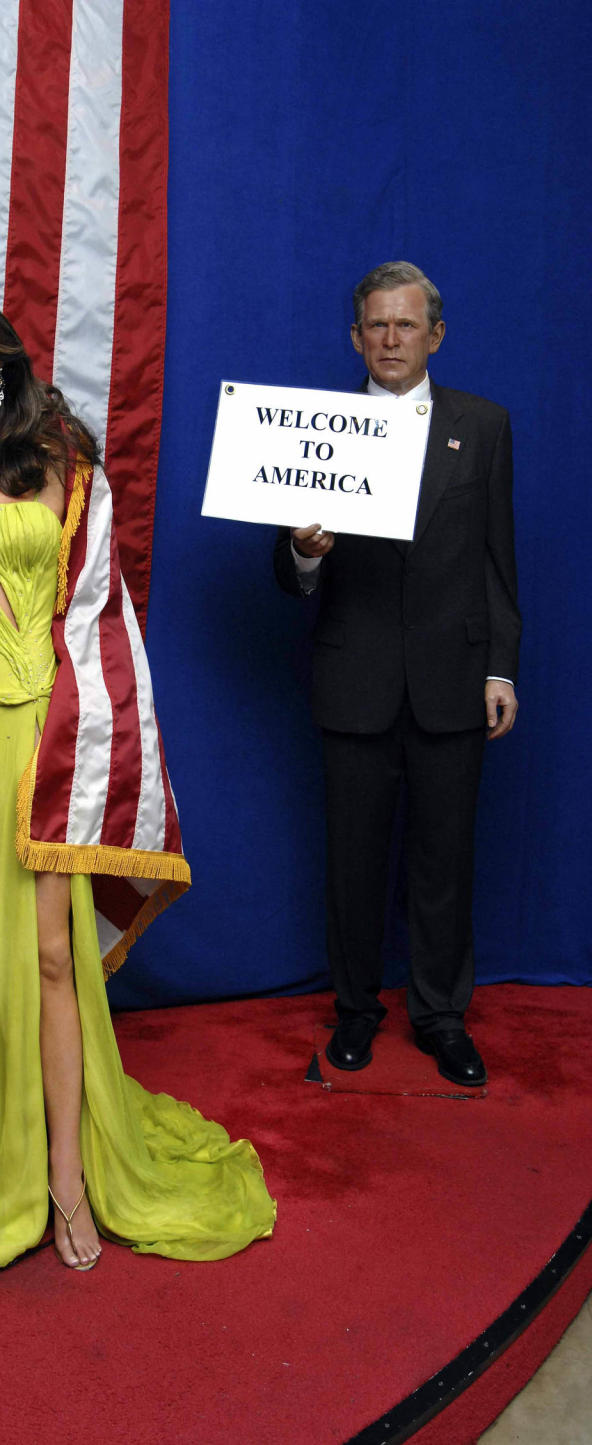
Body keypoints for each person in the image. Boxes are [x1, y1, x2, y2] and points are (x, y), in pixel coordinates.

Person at [0, 288, 276, 1274]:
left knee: (53, 957)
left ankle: (66, 1171)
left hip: (43, 735)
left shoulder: (59, 454)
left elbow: (97, 614)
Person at [274, 261, 520, 1087]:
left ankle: (442, 1015)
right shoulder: (315, 425)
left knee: (445, 860)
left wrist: (502, 670)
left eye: (406, 325)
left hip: (455, 681)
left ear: (435, 335)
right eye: (376, 325)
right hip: (356, 680)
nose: (390, 339)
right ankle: (354, 1011)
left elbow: (497, 563)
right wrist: (304, 553)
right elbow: (285, 567)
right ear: (355, 337)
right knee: (353, 862)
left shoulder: (482, 427)